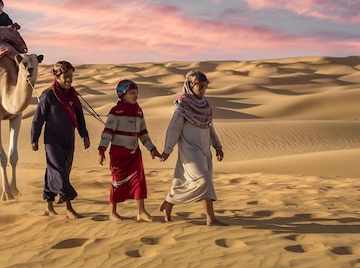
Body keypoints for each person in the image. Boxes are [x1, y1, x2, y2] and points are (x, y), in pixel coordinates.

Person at [159, 70, 227, 226]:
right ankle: (211, 219)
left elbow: (210, 127)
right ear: (190, 85)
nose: (203, 89)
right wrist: (167, 149)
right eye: (199, 85)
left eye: (205, 86)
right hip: (189, 151)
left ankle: (168, 204)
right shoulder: (182, 104)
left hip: (205, 151)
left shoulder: (205, 105)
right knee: (204, 181)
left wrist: (217, 146)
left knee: (192, 182)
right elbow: (173, 129)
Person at [31, 61, 91, 219]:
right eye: (66, 77)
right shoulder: (49, 96)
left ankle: (48, 205)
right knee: (60, 172)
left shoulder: (73, 96)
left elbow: (79, 117)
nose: (69, 80)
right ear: (57, 77)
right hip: (52, 141)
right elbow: (38, 119)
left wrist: (84, 134)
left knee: (55, 171)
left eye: (71, 76)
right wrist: (34, 138)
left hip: (68, 141)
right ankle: (68, 207)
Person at [98, 79, 161, 222]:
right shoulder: (116, 112)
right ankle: (112, 212)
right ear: (122, 94)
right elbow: (107, 132)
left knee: (139, 180)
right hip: (119, 154)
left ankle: (141, 211)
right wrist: (102, 149)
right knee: (117, 181)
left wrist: (152, 149)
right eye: (132, 93)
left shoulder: (139, 111)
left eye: (137, 93)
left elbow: (143, 133)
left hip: (134, 153)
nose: (136, 95)